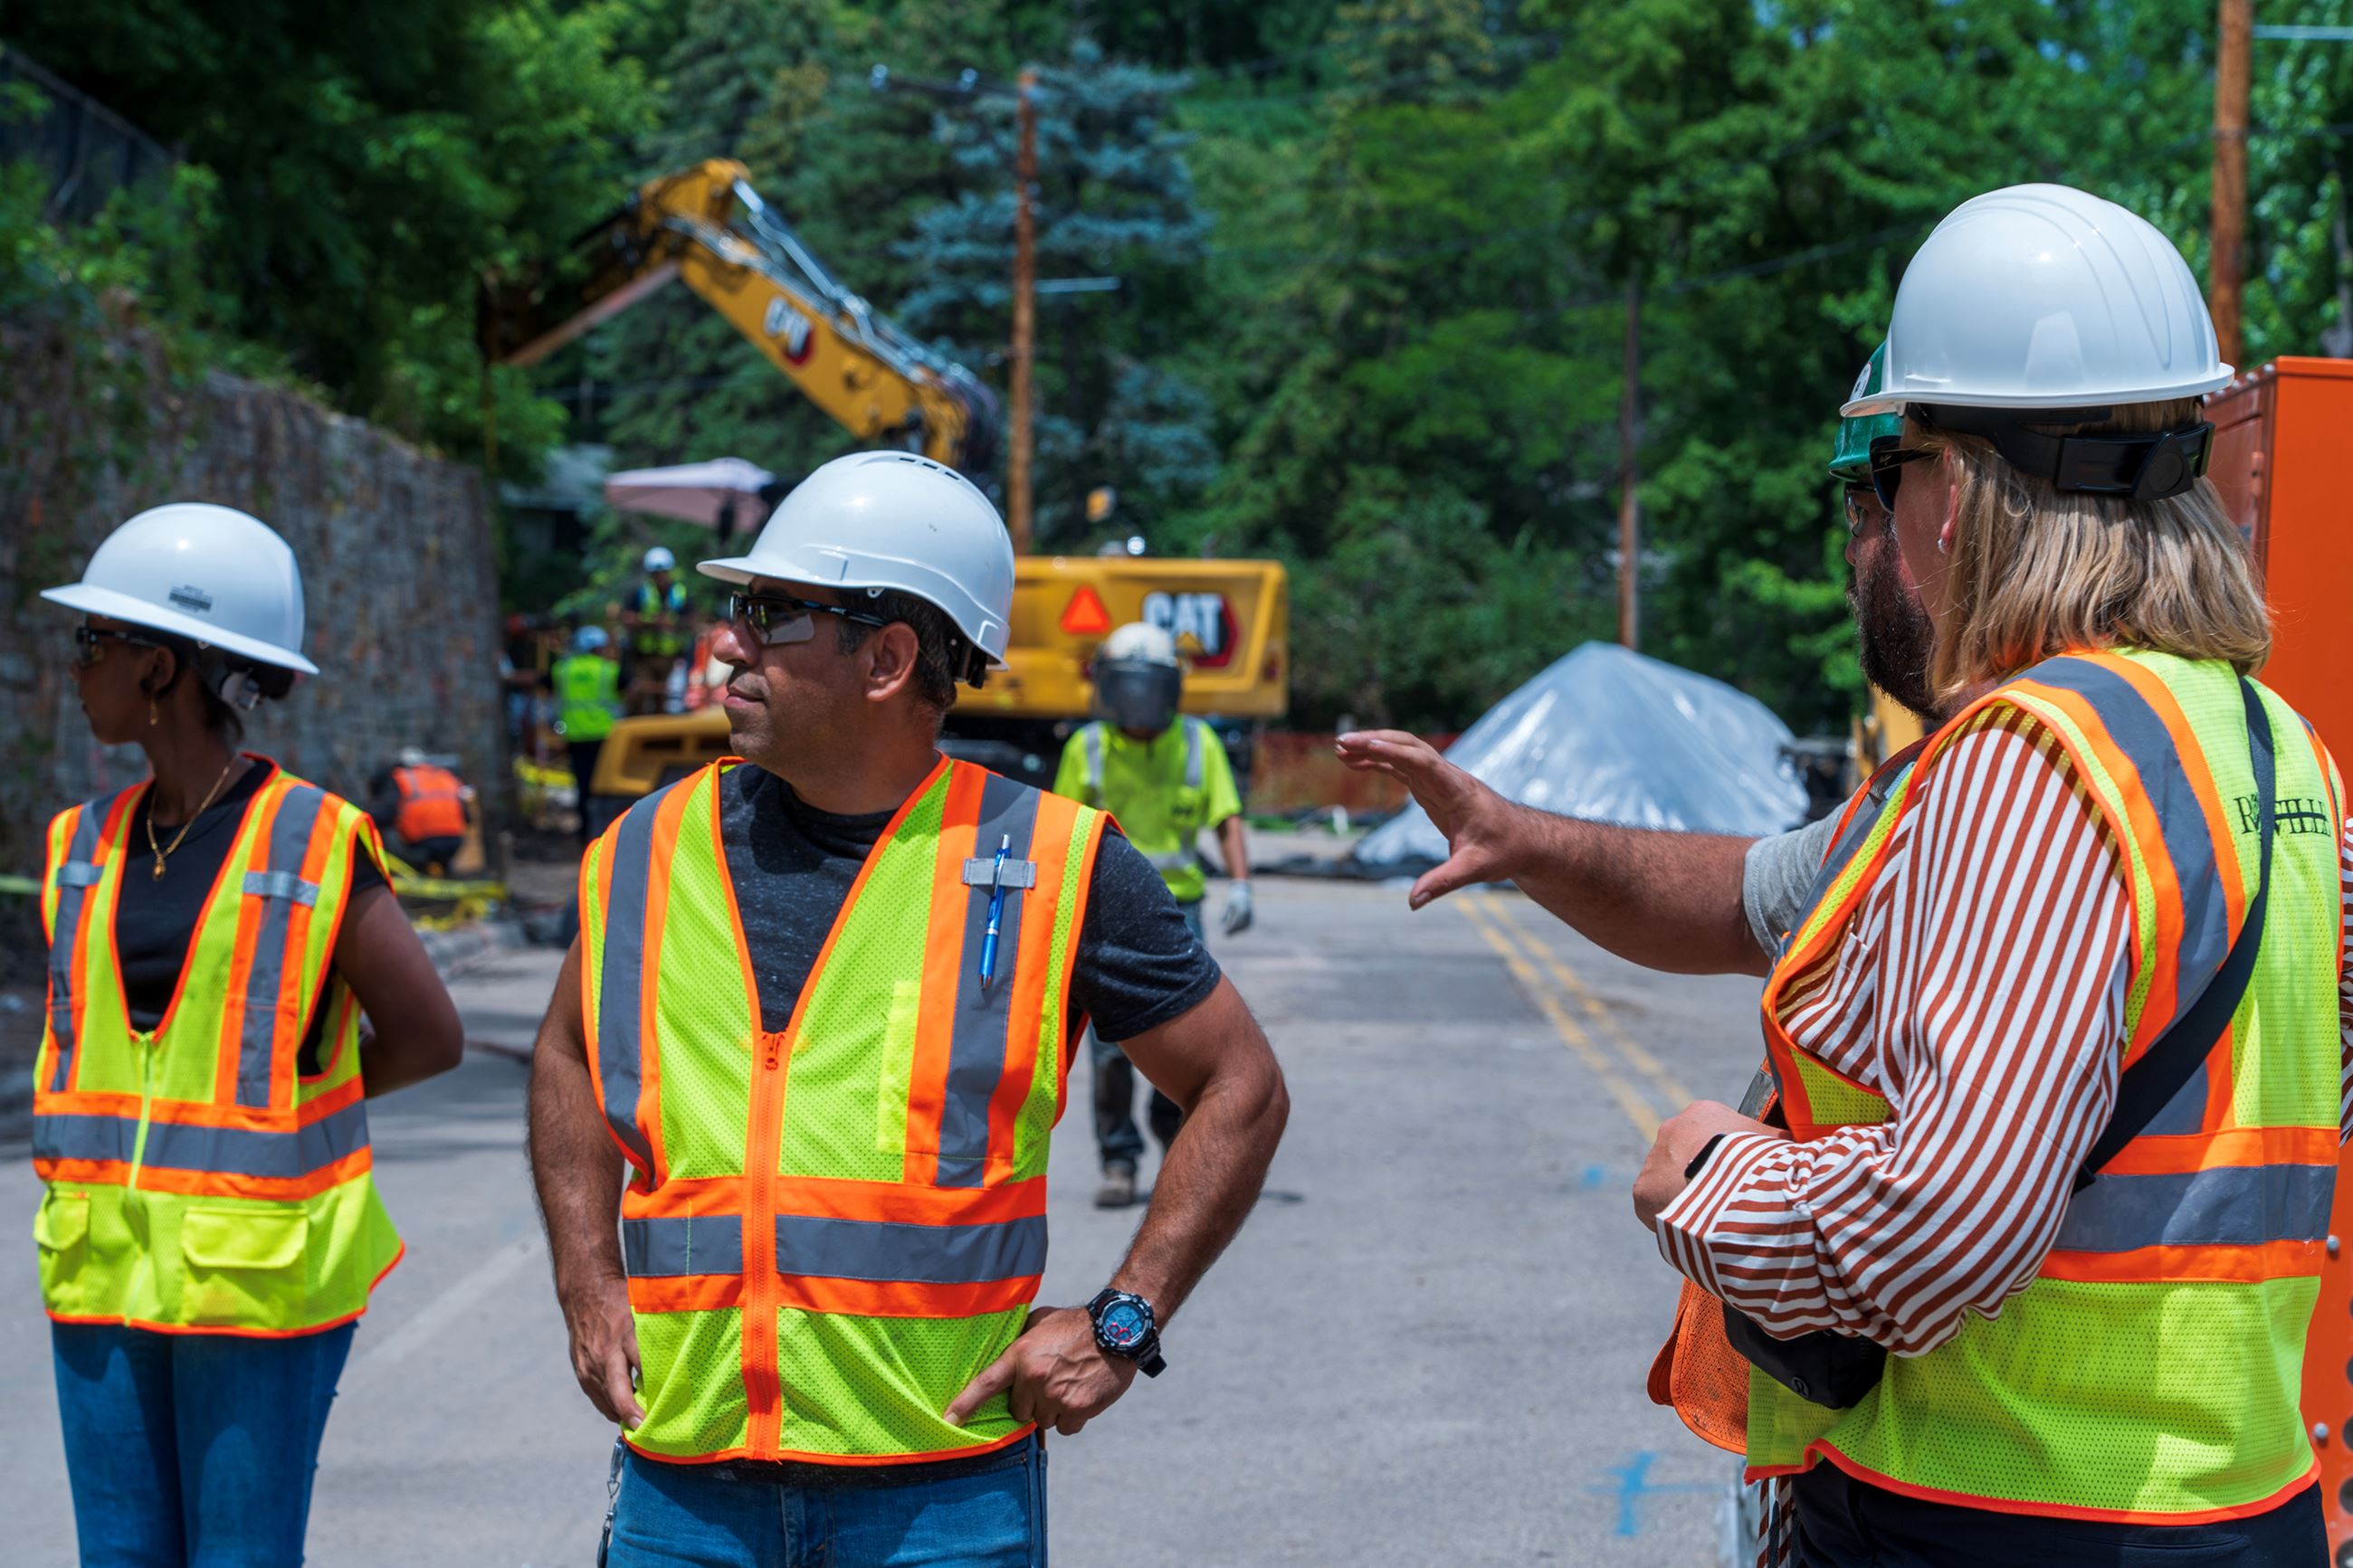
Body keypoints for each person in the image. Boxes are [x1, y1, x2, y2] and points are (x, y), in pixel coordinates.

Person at [1366, 184, 2349, 1566]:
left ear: (1956, 493)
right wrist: (1532, 839)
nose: (1862, 531)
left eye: (1879, 476)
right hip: (2239, 1508)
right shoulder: (2271, 749)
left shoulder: (2031, 765)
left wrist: (1705, 1176)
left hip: (1996, 1519)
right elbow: (1759, 893)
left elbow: (1935, 1235)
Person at [525, 451, 1289, 1568]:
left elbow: (1241, 1086)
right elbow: (563, 1053)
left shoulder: (1049, 862)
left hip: (939, 1508)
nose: (728, 642)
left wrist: (1125, 1320)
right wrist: (585, 1278)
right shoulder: (642, 848)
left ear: (887, 658)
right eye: (738, 609)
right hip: (680, 1492)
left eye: (773, 615)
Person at [32, 501, 465, 1565]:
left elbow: (427, 1035)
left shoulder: (314, 839)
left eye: (97, 641)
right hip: (98, 1275)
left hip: (257, 1281)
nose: (76, 664)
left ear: (165, 668)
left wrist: (302, 1089)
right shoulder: (75, 844)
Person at [1053, 622, 1254, 1208]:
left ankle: (1176, 1150)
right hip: (1100, 910)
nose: (1138, 702)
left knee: (1182, 1040)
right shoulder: (1085, 747)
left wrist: (1241, 883)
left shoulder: (1198, 744)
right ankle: (1119, 1160)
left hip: (1177, 906)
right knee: (1110, 1050)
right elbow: (1061, 830)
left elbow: (1227, 818)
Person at [552, 624, 622, 851]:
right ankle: (605, 834)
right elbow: (631, 686)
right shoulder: (608, 669)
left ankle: (585, 836)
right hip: (604, 736)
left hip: (574, 736)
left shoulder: (562, 669)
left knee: (582, 787)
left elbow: (542, 683)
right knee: (605, 786)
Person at [371, 746, 473, 875]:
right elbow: (467, 817)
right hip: (455, 840)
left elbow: (386, 813)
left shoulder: (400, 777)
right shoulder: (446, 776)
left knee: (388, 834)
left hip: (422, 842)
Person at [624, 545, 690, 715]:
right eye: (656, 573)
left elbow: (692, 620)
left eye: (663, 572)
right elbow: (628, 618)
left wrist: (673, 623)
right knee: (642, 695)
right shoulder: (639, 593)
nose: (660, 576)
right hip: (644, 657)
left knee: (665, 700)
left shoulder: (681, 593)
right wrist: (651, 622)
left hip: (671, 658)